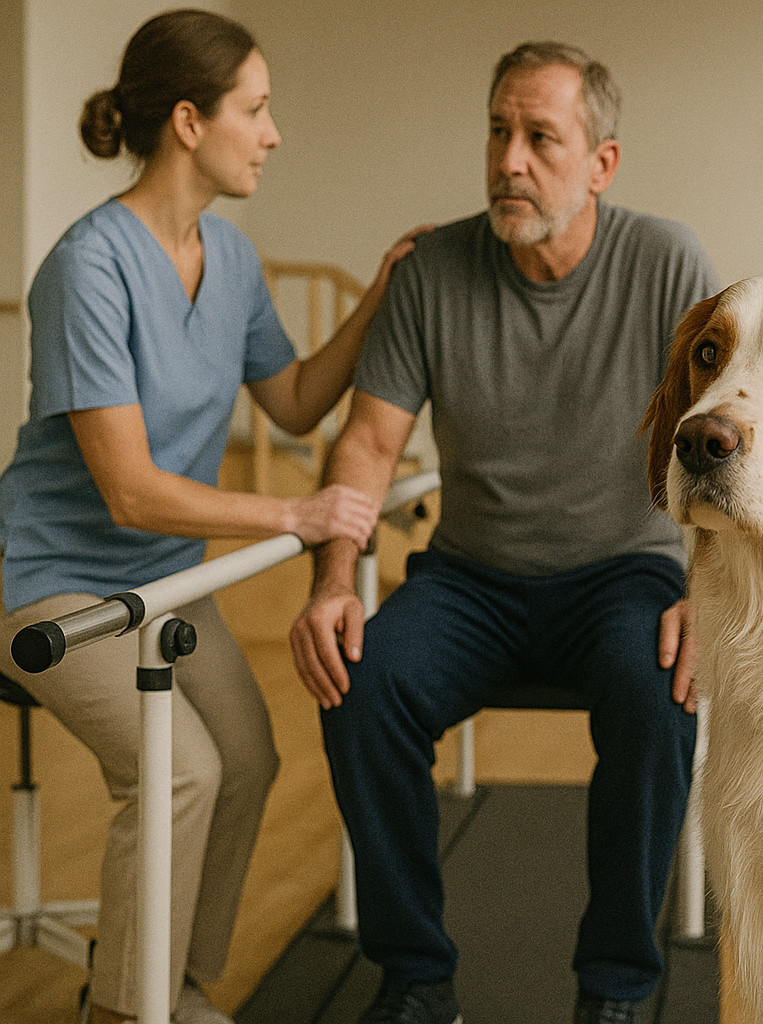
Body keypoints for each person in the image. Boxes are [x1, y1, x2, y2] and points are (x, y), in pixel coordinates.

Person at [0, 10, 426, 1024]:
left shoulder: (229, 258)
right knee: (177, 770)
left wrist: (378, 298)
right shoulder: (88, 267)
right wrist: (297, 508)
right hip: (43, 579)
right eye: (258, 109)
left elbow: (291, 401)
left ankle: (170, 984)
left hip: (159, 584)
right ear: (190, 121)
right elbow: (130, 489)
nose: (273, 134)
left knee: (246, 760)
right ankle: (121, 1011)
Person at [288, 42, 719, 1024]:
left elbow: (720, 444)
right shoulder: (431, 270)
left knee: (661, 695)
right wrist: (335, 578)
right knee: (361, 679)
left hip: (623, 572)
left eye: (540, 138)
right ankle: (416, 978)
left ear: (601, 163)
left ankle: (615, 986)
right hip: (468, 579)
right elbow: (366, 443)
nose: (509, 160)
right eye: (497, 131)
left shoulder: (668, 261)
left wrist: (713, 588)